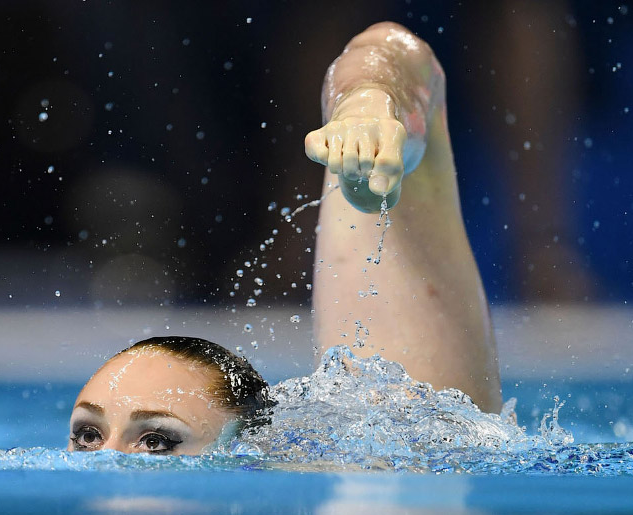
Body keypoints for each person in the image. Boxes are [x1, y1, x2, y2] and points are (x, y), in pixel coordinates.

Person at [68, 21, 502, 456]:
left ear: (256, 448)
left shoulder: (401, 463)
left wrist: (366, 100)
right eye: (87, 435)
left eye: (156, 440)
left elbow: (395, 50)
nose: (107, 460)